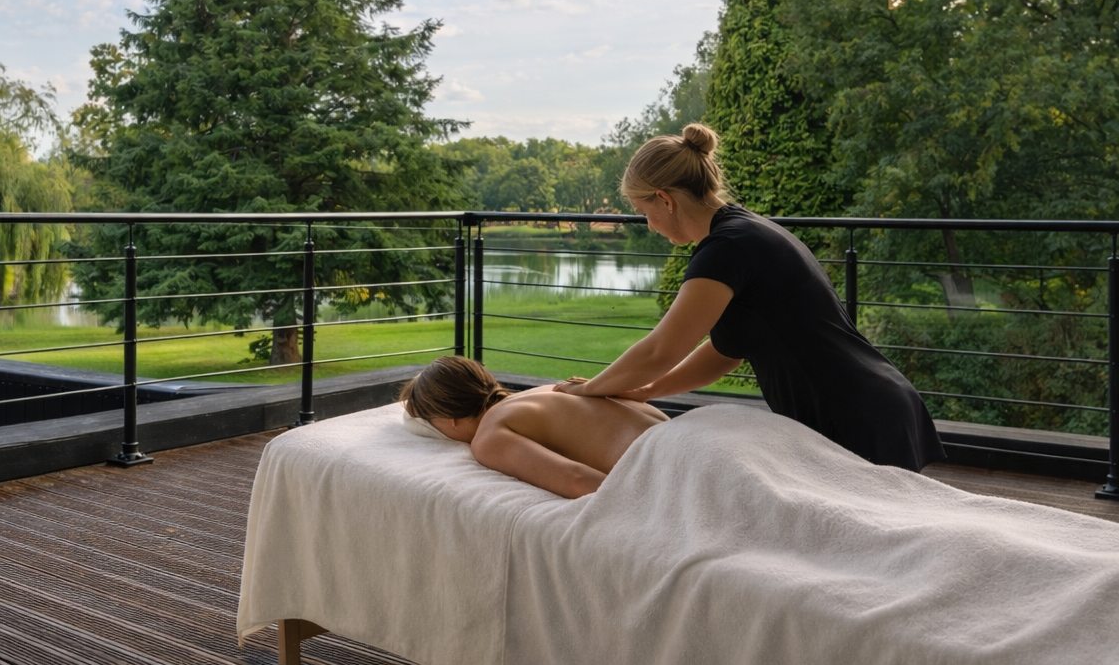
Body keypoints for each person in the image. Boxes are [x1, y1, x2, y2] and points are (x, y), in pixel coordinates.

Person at [554, 122, 943, 471]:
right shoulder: (740, 233)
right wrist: (647, 390)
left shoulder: (728, 248)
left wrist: (588, 390)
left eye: (644, 212)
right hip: (871, 406)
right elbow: (726, 351)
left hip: (856, 416)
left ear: (666, 199)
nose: (649, 226)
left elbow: (661, 349)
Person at [401, 356, 668, 498]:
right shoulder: (547, 390)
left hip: (670, 468)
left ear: (451, 421)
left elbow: (578, 481)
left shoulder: (489, 436)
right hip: (683, 436)